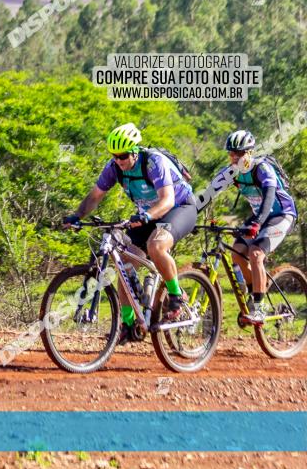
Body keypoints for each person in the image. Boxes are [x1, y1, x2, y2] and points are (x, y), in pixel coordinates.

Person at [63, 123, 198, 343]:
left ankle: (176, 295)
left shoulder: (154, 162)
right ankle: (128, 324)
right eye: (115, 156)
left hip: (179, 208)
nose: (119, 160)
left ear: (135, 151)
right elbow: (95, 196)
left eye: (123, 156)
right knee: (124, 262)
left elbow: (167, 200)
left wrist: (146, 216)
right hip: (149, 214)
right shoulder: (114, 167)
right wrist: (77, 215)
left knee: (157, 245)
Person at [216, 130, 298, 324]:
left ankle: (260, 310)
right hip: (259, 216)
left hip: (281, 214)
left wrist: (257, 223)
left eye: (239, 153)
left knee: (256, 253)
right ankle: (255, 295)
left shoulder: (262, 169)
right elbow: (211, 191)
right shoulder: (232, 171)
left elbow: (269, 197)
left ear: (250, 153)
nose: (234, 158)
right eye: (232, 154)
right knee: (236, 253)